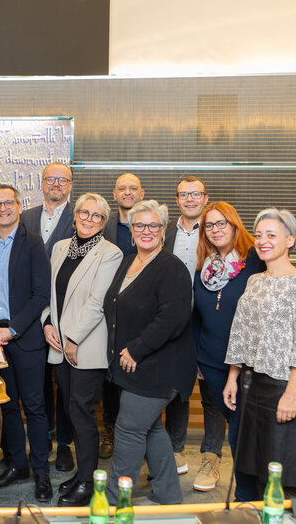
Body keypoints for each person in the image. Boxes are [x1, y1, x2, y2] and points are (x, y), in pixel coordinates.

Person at [103, 200, 195, 506]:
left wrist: (136, 349)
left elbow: (172, 318)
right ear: (130, 231)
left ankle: (115, 502)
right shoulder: (127, 261)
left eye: (152, 225)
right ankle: (168, 495)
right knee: (151, 428)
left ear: (162, 230)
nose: (146, 231)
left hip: (159, 368)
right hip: (133, 367)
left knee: (129, 431)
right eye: (138, 225)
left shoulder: (172, 268)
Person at [224, 208, 296, 499]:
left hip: (283, 388)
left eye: (271, 235)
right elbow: (240, 331)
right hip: (253, 386)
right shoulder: (255, 280)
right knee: (255, 471)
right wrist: (232, 377)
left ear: (290, 240)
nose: (262, 240)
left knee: (281, 477)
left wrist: (291, 395)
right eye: (260, 235)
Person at [0, 184, 53, 502]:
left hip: (24, 336)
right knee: (4, 405)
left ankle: (41, 472)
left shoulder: (33, 244)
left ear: (19, 206)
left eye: (8, 202)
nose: (2, 208)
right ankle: (18, 465)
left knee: (34, 407)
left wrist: (12, 330)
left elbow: (40, 294)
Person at [43, 193, 122, 506]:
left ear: (104, 222)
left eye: (97, 216)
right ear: (74, 216)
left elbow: (97, 303)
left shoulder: (111, 254)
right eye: (84, 213)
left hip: (85, 347)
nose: (89, 219)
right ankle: (80, 474)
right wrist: (47, 323)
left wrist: (72, 337)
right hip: (58, 345)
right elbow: (49, 293)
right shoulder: (61, 248)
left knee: (82, 411)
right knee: (71, 411)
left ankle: (88, 482)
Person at [193, 201, 263, 499]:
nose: (215, 230)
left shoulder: (256, 261)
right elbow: (198, 315)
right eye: (209, 225)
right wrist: (197, 357)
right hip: (211, 361)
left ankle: (248, 495)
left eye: (222, 223)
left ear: (235, 225)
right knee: (237, 425)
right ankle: (251, 492)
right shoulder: (204, 267)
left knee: (241, 428)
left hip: (247, 362)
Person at [23, 162, 76, 473]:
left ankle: (66, 444)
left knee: (65, 385)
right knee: (38, 383)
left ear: (70, 185)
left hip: (64, 314)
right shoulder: (26, 217)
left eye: (63, 180)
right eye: (51, 179)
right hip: (31, 315)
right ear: (41, 183)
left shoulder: (79, 216)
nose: (56, 184)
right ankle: (42, 441)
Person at [162, 176, 211, 477]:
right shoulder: (166, 233)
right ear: (177, 199)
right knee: (178, 387)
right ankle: (174, 449)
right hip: (172, 323)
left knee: (211, 389)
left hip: (208, 322)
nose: (190, 199)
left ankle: (212, 456)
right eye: (183, 194)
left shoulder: (218, 231)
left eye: (196, 194)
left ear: (206, 198)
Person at [99, 173, 145, 459]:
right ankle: (110, 431)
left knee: (139, 374)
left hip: (142, 315)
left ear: (142, 193)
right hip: (110, 312)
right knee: (110, 376)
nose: (127, 192)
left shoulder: (151, 225)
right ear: (114, 195)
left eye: (132, 188)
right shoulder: (106, 228)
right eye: (121, 189)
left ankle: (138, 434)